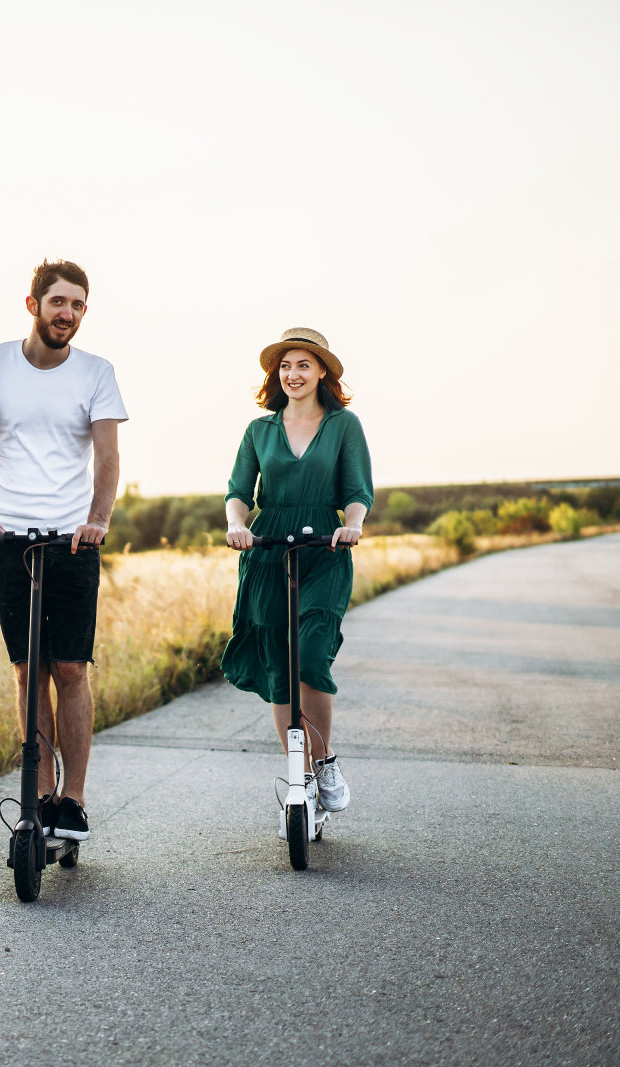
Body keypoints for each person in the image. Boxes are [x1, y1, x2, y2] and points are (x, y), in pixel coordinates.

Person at [0, 259, 129, 843]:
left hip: (73, 539)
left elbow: (107, 457)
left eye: (78, 304)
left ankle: (72, 801)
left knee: (71, 668)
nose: (68, 313)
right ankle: (41, 794)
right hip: (7, 537)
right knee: (29, 670)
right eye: (59, 302)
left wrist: (97, 520)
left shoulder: (97, 373)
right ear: (33, 305)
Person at [221, 328, 373, 835]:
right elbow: (238, 491)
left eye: (303, 364)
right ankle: (299, 777)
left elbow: (357, 490)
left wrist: (353, 525)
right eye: (285, 366)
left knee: (310, 655)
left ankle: (324, 762)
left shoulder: (343, 425)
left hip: (325, 549)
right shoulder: (259, 430)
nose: (293, 374)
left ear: (322, 371)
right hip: (267, 550)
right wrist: (237, 524)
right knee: (278, 668)